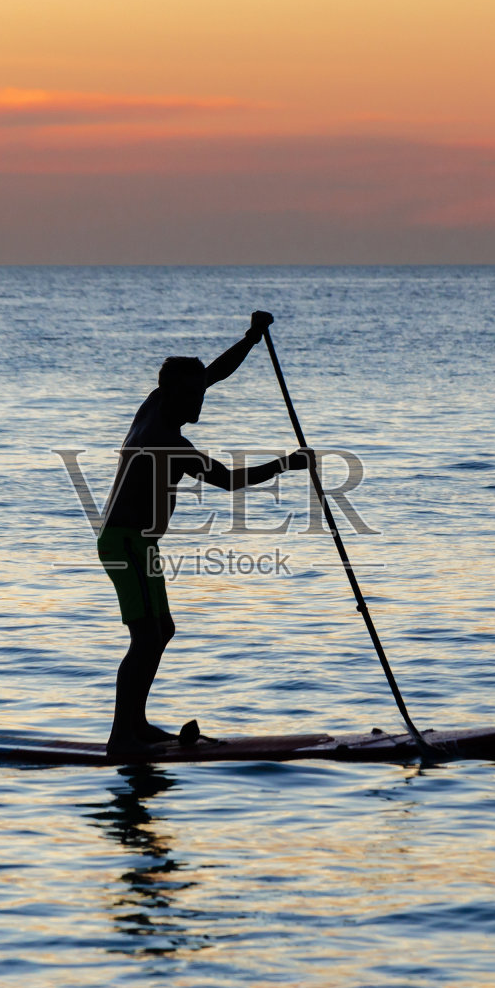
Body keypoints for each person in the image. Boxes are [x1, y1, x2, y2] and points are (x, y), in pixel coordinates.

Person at [97, 310, 312, 757]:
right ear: (173, 392)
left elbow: (214, 372)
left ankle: (135, 724)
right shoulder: (170, 444)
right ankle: (122, 737)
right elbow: (231, 481)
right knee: (146, 638)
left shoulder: (157, 402)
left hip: (142, 543)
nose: (201, 401)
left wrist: (251, 339)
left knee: (163, 630)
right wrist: (286, 465)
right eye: (194, 394)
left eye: (201, 392)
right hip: (124, 541)